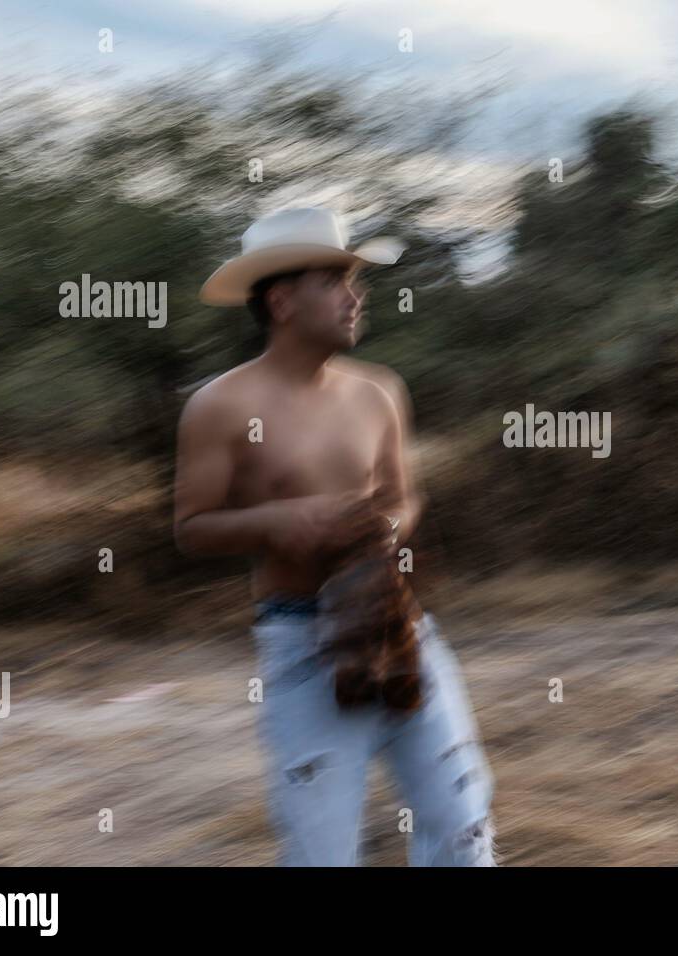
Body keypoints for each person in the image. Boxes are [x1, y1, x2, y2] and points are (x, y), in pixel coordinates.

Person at [172, 207, 497, 866]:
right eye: (335, 281)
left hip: (400, 626)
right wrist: (277, 521)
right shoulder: (220, 406)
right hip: (300, 641)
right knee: (322, 854)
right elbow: (190, 529)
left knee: (464, 827)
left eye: (357, 282)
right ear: (283, 301)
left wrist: (378, 529)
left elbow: (404, 497)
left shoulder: (378, 392)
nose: (356, 297)